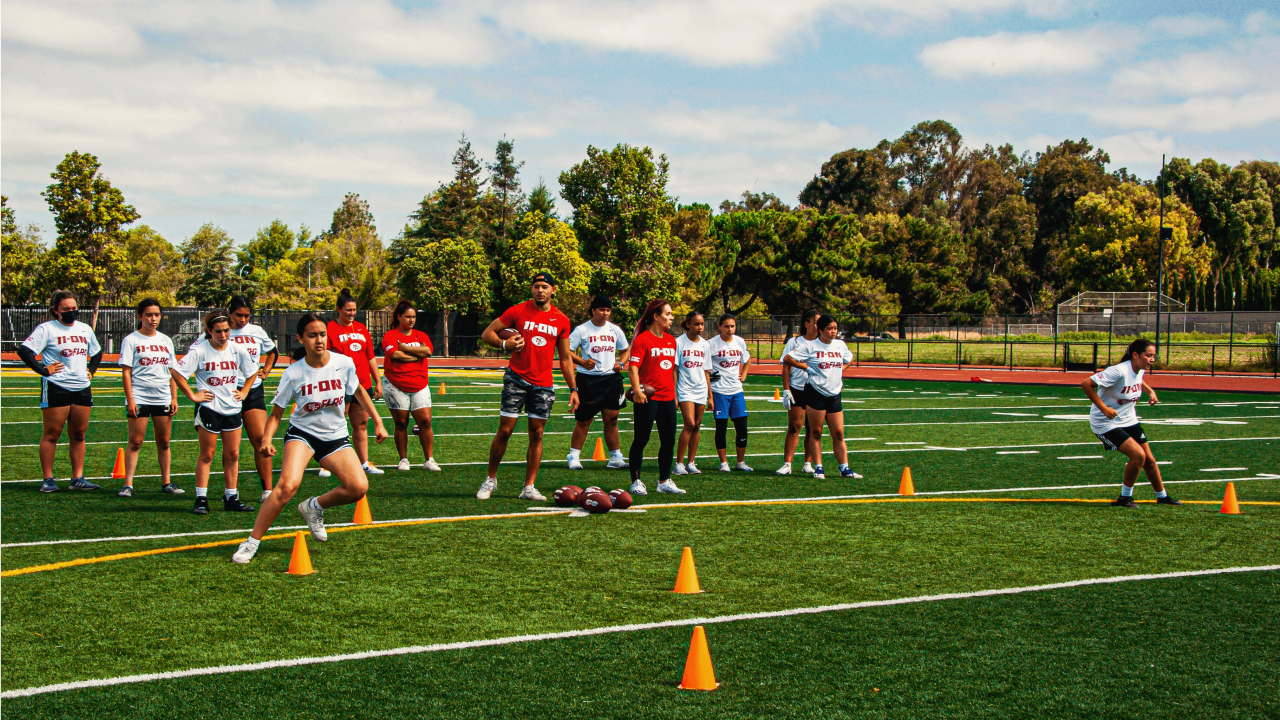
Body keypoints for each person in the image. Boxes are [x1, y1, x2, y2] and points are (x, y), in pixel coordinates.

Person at [233, 314, 389, 564]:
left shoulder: (343, 363)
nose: (319, 340)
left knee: (358, 487)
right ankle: (251, 542)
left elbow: (359, 389)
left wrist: (378, 421)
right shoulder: (294, 373)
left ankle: (314, 507)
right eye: (312, 335)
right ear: (300, 338)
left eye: (323, 334)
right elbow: (275, 414)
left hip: (335, 436)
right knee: (286, 486)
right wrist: (266, 439)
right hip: (303, 434)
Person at [477, 272, 578, 500]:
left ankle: (529, 487)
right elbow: (487, 333)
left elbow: (564, 358)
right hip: (516, 378)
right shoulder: (518, 311)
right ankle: (490, 479)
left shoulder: (561, 319)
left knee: (538, 433)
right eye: (536, 286)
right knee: (505, 430)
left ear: (553, 290)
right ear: (531, 289)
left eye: (544, 286)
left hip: (543, 383)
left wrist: (574, 388)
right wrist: (505, 344)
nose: (539, 290)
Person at [191, 296, 278, 501]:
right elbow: (194, 355)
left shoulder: (256, 331)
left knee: (260, 439)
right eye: (238, 315)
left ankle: (267, 490)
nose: (243, 319)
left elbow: (272, 351)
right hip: (222, 392)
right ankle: (230, 492)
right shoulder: (214, 332)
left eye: (247, 315)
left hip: (251, 390)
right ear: (229, 313)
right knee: (226, 448)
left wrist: (265, 371)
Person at [171, 310, 258, 515]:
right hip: (210, 408)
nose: (223, 335)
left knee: (233, 454)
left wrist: (244, 391)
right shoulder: (199, 350)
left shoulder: (237, 349)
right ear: (209, 331)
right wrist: (192, 395)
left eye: (226, 330)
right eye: (218, 331)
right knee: (207, 455)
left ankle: (231, 497)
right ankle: (201, 498)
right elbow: (176, 371)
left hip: (232, 408)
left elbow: (252, 371)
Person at [18, 290, 104, 492]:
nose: (72, 312)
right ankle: (48, 479)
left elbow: (97, 352)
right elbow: (24, 350)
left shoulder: (84, 329)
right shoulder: (46, 329)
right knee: (52, 434)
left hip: (82, 386)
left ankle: (78, 478)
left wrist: (91, 371)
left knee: (79, 434)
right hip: (57, 385)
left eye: (74, 308)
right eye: (66, 309)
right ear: (56, 311)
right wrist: (42, 369)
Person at [1081, 338, 1182, 508]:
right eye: (1148, 356)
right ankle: (1124, 498)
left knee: (1149, 460)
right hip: (1106, 423)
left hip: (1129, 419)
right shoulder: (1118, 371)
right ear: (1135, 355)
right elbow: (1086, 384)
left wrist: (1150, 391)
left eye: (1153, 356)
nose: (1152, 359)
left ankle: (1162, 496)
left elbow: (1138, 379)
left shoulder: (1140, 368)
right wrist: (1104, 408)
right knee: (1138, 455)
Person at [783, 314, 863, 480]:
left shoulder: (840, 345)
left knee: (839, 433)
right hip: (815, 392)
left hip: (834, 393)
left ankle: (844, 468)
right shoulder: (811, 346)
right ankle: (818, 467)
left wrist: (841, 369)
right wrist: (805, 367)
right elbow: (788, 358)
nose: (833, 332)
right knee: (816, 432)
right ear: (820, 330)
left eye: (835, 328)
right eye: (829, 329)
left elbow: (849, 358)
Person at [118, 298, 182, 497]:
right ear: (140, 316)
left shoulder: (165, 340)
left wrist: (174, 397)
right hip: (140, 395)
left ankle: (167, 483)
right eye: (148, 315)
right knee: (135, 442)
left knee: (164, 442)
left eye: (156, 315)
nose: (153, 319)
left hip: (162, 396)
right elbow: (126, 372)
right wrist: (131, 400)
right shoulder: (131, 340)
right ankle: (128, 484)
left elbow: (172, 370)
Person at [565, 295, 630, 471]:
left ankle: (615, 456)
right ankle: (574, 455)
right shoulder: (582, 330)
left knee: (612, 419)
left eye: (608, 310)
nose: (605, 313)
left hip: (611, 379)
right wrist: (582, 361)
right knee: (584, 419)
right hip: (589, 379)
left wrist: (621, 364)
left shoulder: (615, 330)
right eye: (602, 309)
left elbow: (625, 350)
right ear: (593, 310)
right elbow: (566, 351)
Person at [627, 299, 685, 495]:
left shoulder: (671, 340)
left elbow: (671, 370)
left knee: (668, 441)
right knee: (641, 439)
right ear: (656, 316)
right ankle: (636, 481)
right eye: (668, 314)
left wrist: (675, 394)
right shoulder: (643, 339)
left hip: (667, 397)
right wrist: (637, 391)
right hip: (647, 398)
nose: (672, 318)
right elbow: (633, 368)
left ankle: (664, 481)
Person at [327, 289, 385, 477]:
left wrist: (378, 381)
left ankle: (364, 463)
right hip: (339, 383)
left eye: (354, 310)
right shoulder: (330, 328)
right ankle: (327, 463)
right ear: (338, 309)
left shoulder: (361, 328)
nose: (351, 314)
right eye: (347, 310)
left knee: (360, 424)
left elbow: (370, 357)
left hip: (362, 383)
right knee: (336, 423)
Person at [380, 300, 440, 472]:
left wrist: (406, 347)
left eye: (414, 317)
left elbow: (428, 351)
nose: (411, 320)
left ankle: (429, 459)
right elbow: (396, 355)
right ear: (399, 317)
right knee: (401, 422)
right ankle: (404, 459)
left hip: (420, 383)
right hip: (396, 383)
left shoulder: (420, 335)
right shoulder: (390, 335)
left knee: (426, 421)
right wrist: (416, 356)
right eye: (408, 316)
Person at [777, 310, 821, 476]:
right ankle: (787, 463)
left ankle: (807, 462)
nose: (818, 326)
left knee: (813, 428)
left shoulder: (823, 343)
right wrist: (786, 389)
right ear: (806, 323)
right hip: (797, 388)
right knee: (794, 426)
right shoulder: (794, 342)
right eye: (815, 322)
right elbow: (786, 367)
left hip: (816, 389)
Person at [707, 314, 753, 472]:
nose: (730, 329)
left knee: (742, 426)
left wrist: (744, 373)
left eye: (732, 326)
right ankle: (723, 462)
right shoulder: (711, 344)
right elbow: (704, 365)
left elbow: (747, 359)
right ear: (719, 326)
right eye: (726, 326)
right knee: (721, 427)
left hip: (737, 390)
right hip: (719, 391)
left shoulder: (739, 341)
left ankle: (740, 462)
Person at [674, 311, 711, 476]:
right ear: (688, 324)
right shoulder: (678, 342)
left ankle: (691, 462)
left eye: (702, 324)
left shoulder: (705, 344)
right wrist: (674, 394)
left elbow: (706, 371)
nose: (700, 327)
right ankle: (679, 463)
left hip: (700, 389)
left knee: (697, 425)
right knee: (688, 424)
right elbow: (674, 369)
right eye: (696, 324)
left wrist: (710, 395)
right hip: (684, 389)